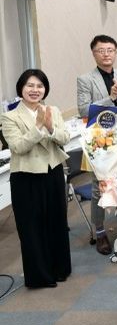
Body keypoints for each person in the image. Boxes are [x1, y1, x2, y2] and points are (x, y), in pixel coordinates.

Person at [1, 69, 72, 288]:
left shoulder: (53, 110)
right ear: (21, 89)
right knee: (31, 227)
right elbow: (18, 147)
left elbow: (64, 138)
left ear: (45, 89)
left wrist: (50, 126)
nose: (35, 90)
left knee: (56, 222)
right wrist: (39, 126)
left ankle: (60, 269)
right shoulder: (9, 116)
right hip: (26, 177)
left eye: (39, 86)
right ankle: (40, 276)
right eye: (30, 85)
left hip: (52, 172)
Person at [77, 34, 117, 255]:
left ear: (116, 52)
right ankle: (100, 231)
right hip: (99, 140)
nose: (106, 54)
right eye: (101, 50)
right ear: (94, 53)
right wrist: (110, 99)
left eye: (110, 50)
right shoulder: (85, 79)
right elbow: (83, 109)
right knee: (98, 187)